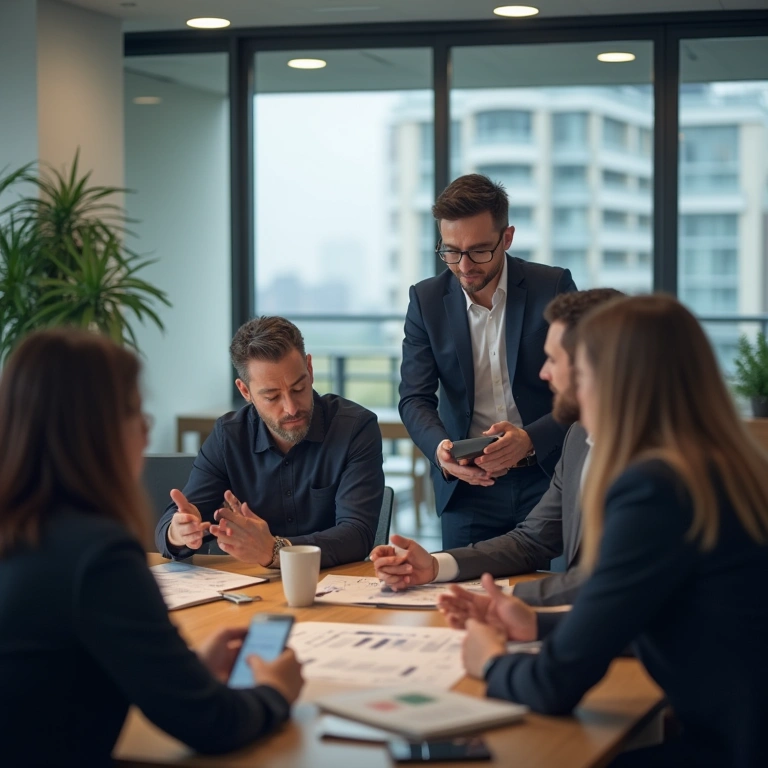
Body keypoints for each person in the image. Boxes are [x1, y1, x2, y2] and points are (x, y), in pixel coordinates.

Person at [439, 296, 768, 768]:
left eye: (560, 361)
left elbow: (554, 687)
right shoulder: (713, 464)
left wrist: (490, 661)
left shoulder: (656, 487)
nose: (545, 374)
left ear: (611, 375)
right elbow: (663, 613)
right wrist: (536, 624)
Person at [0, 329, 304, 768]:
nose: (146, 432)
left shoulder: (25, 530)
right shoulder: (98, 555)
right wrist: (276, 691)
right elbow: (212, 724)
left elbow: (56, 675)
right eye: (135, 414)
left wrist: (177, 669)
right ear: (93, 430)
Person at [372, 289, 622, 605]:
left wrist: (498, 601)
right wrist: (436, 565)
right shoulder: (578, 440)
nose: (543, 373)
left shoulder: (654, 465)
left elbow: (601, 586)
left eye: (554, 359)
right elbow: (532, 540)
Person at [399, 173, 577, 549]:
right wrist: (441, 452)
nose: (464, 266)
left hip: (549, 476)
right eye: (451, 251)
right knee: (462, 598)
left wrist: (530, 439)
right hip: (467, 488)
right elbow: (414, 398)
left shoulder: (552, 287)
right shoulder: (425, 301)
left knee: (557, 599)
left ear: (507, 238)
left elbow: (586, 388)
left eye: (479, 250)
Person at [155, 316, 384, 569]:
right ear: (245, 392)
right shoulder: (228, 436)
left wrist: (277, 550)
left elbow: (357, 534)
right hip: (251, 590)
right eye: (272, 397)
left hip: (337, 586)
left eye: (298, 388)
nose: (291, 408)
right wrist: (179, 533)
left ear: (309, 369)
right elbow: (173, 526)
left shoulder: (355, 428)